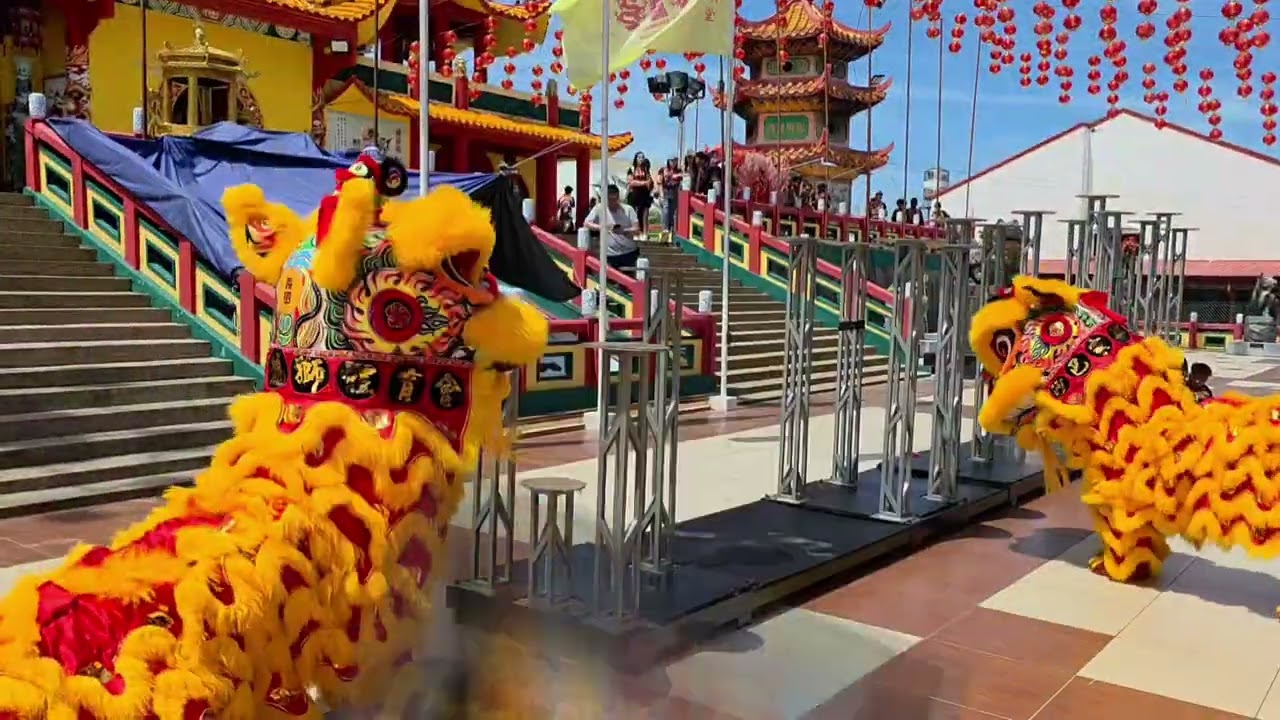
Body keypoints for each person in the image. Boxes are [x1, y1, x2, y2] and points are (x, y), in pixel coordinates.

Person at [584, 184, 641, 274]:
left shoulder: (628, 209)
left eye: (614, 199)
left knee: (627, 282)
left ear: (618, 197)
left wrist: (624, 231)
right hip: (609, 254)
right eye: (609, 200)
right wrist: (602, 227)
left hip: (628, 252)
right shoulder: (599, 208)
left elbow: (637, 229)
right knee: (609, 282)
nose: (612, 203)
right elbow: (586, 223)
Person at [627, 155, 655, 236]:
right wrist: (644, 183)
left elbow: (650, 183)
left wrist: (650, 183)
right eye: (639, 157)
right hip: (634, 195)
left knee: (644, 215)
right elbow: (631, 182)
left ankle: (644, 234)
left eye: (642, 157)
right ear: (636, 159)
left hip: (645, 195)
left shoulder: (646, 170)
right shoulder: (632, 169)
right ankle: (635, 233)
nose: (641, 159)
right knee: (634, 215)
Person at [659, 157, 683, 237]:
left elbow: (682, 179)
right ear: (668, 161)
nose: (673, 163)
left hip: (674, 193)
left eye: (675, 161)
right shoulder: (663, 170)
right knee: (665, 210)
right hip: (665, 191)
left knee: (673, 212)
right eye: (671, 161)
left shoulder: (679, 171)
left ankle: (672, 229)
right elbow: (660, 183)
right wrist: (661, 194)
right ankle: (665, 229)